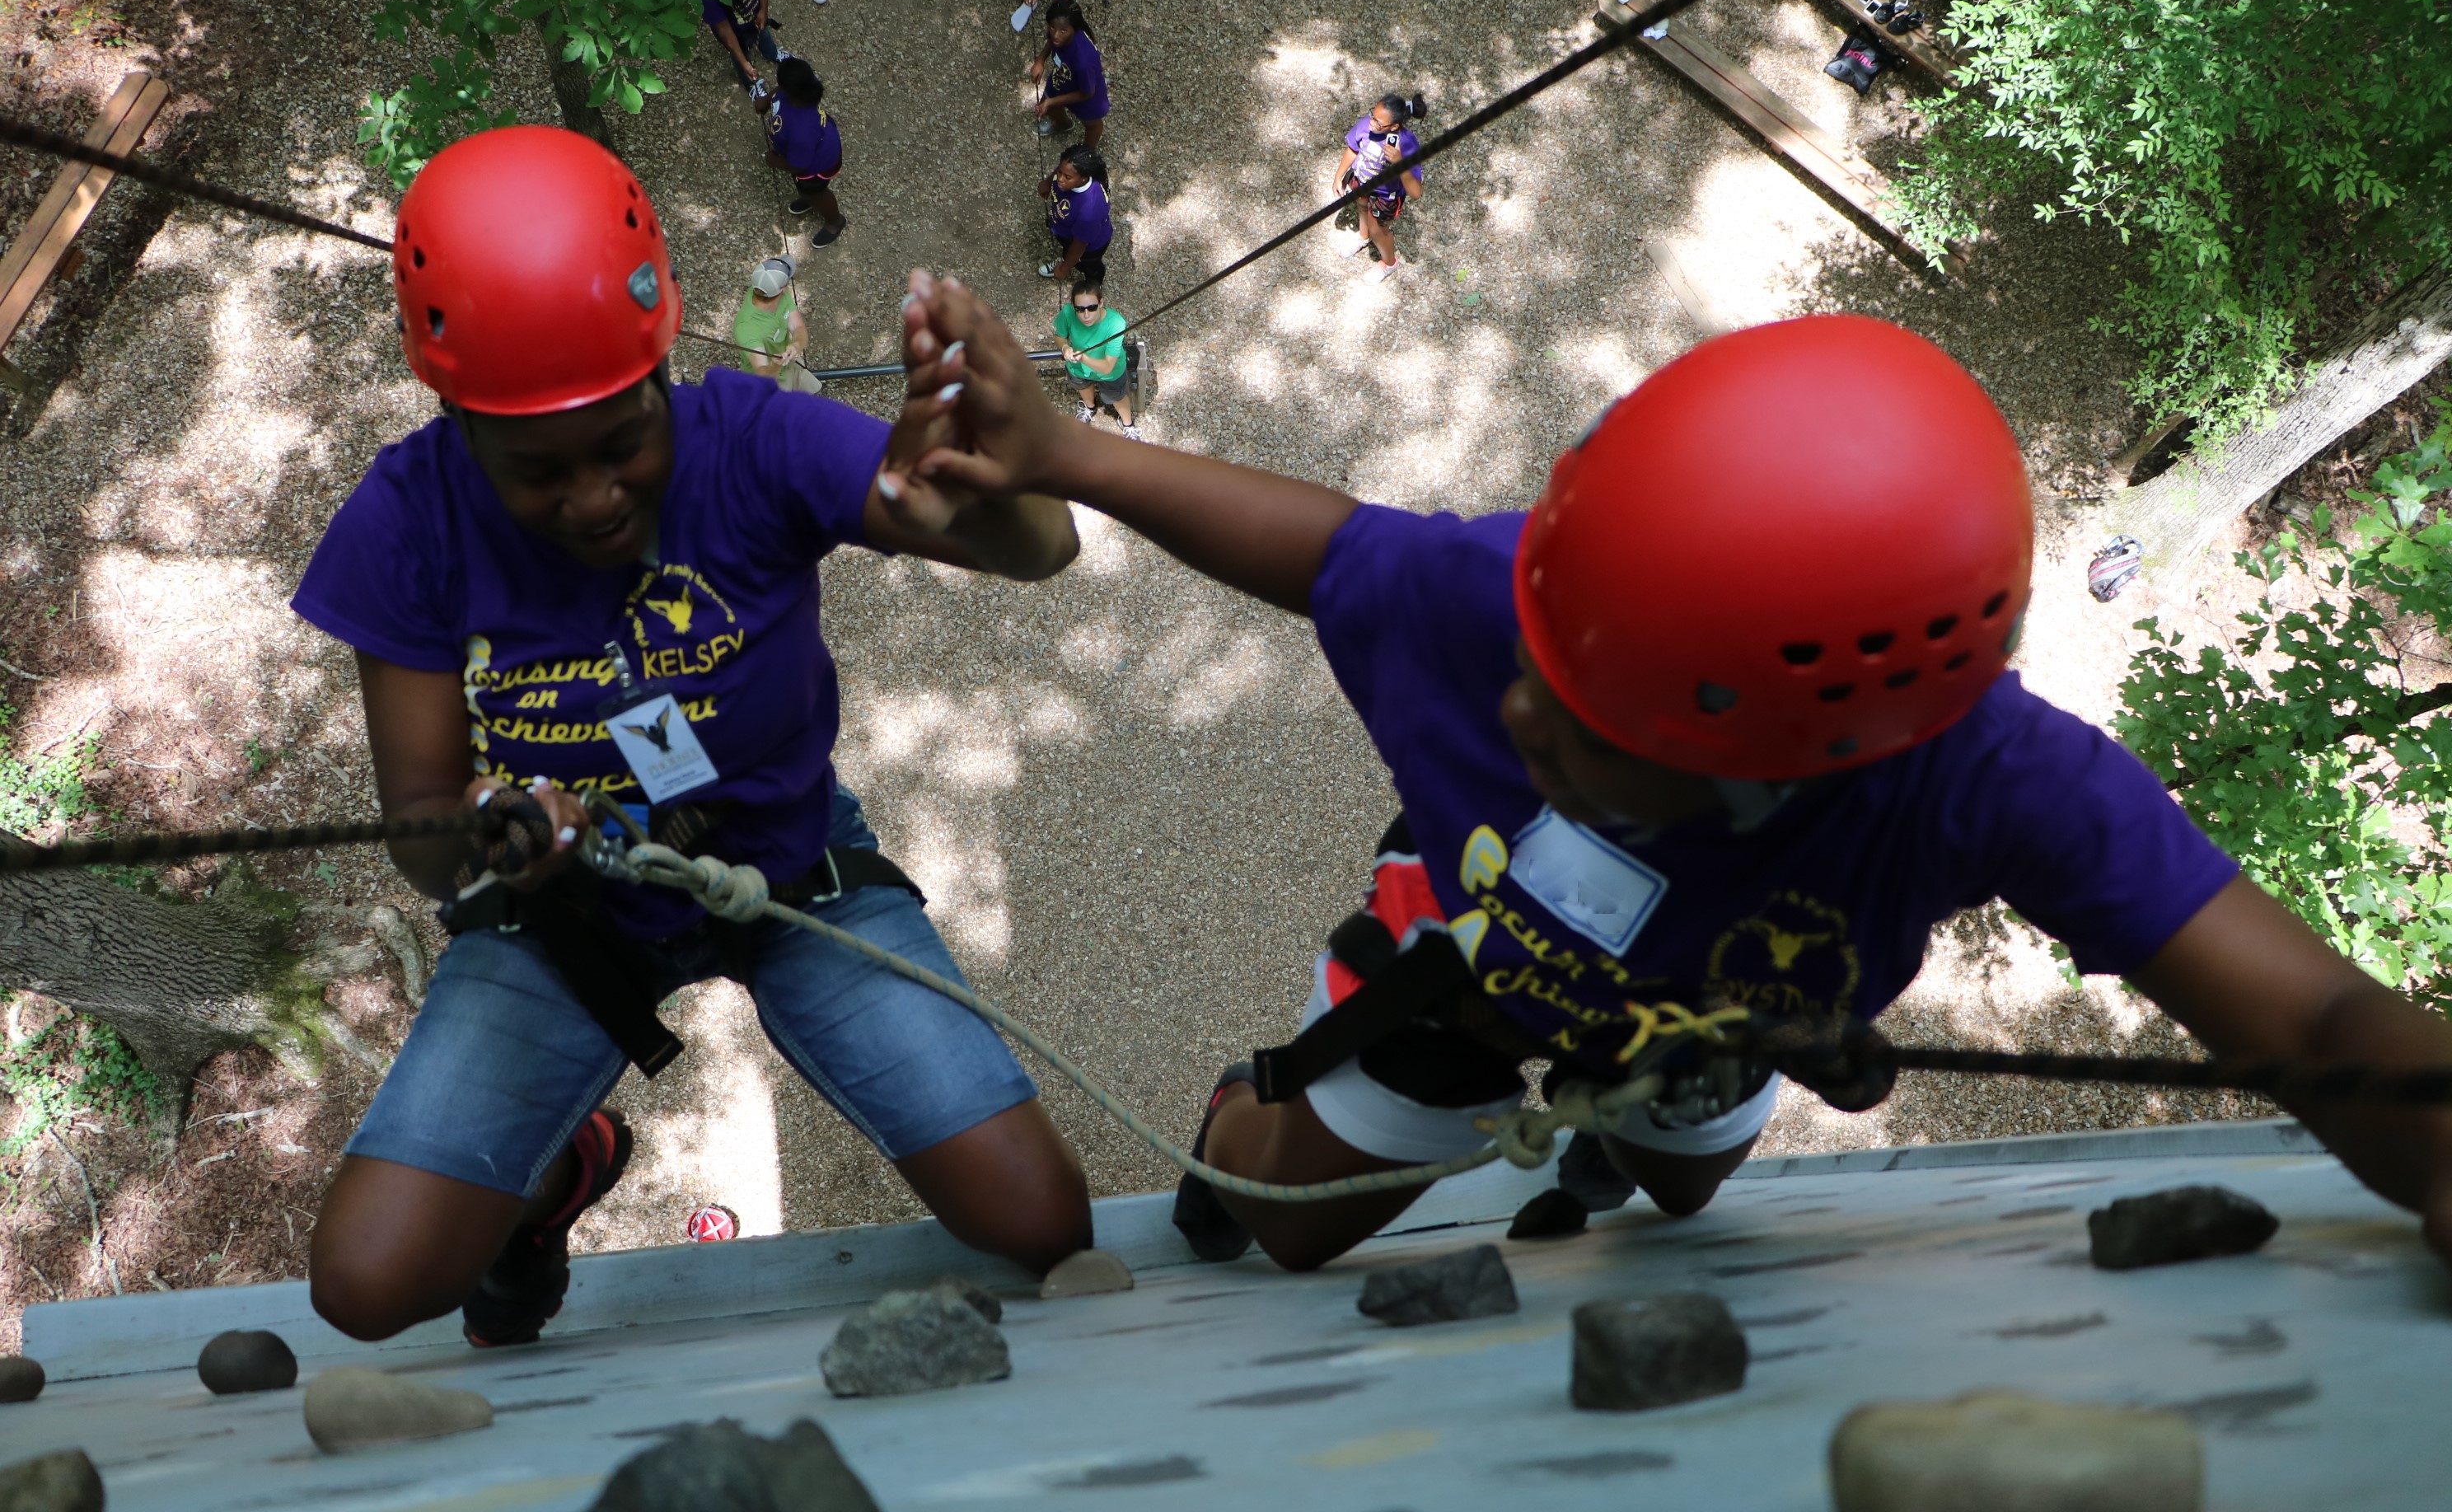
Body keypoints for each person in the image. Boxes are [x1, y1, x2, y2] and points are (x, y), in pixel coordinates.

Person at [873, 282, 2452, 1279]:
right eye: (1538, 660)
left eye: (1589, 720)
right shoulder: (1558, 595)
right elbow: (1340, 547)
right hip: (1494, 961)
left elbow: (2310, 1019)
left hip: (1721, 1025)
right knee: (1276, 1210)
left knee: (1682, 1200)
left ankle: (1618, 1120)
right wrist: (1070, 453)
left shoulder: (1991, 777)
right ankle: (1353, 1010)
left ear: (1793, 758)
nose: (1516, 707)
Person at [292, 129, 1096, 1349]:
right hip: (565, 914)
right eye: (537, 471)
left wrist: (1009, 467)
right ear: (457, 421)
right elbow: (421, 826)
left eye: (623, 443)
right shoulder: (405, 523)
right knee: (367, 1286)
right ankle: (555, 1180)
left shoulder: (753, 445)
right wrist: (495, 833)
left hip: (788, 865)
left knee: (1042, 1219)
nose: (595, 496)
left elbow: (1041, 553)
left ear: (666, 369)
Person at [1331, 93, 1426, 286]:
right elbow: (1353, 148)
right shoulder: (1366, 125)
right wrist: (1339, 175)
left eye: (1378, 122)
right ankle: (1362, 236)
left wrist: (1400, 162)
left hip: (1386, 195)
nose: (1372, 124)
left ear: (1394, 127)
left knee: (1379, 230)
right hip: (1362, 181)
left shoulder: (1407, 143)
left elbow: (1416, 192)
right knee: (1361, 206)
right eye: (1372, 116)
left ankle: (1389, 263)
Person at [763, 58, 845, 246]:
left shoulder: (803, 131)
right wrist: (766, 100)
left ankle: (835, 221)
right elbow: (780, 89)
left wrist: (774, 160)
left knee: (817, 192)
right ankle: (808, 198)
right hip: (810, 150)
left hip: (818, 166)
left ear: (791, 90)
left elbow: (799, 164)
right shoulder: (803, 86)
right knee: (805, 189)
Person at [1054, 277, 1133, 437]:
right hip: (1079, 368)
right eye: (1080, 309)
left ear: (1101, 303)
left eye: (1091, 308)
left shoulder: (1116, 324)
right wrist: (1065, 347)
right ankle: (1090, 408)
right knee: (1083, 386)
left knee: (1117, 397)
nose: (1086, 315)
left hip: (1110, 373)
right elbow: (1059, 335)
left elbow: (1108, 367)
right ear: (1073, 307)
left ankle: (1128, 424)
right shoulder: (1067, 313)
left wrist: (1083, 358)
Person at [732, 255, 818, 393]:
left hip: (790, 364)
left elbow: (798, 328)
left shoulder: (774, 293)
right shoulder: (746, 328)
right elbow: (764, 375)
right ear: (783, 289)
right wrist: (775, 365)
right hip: (771, 385)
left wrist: (796, 345)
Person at [1030, 0, 1108, 146]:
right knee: (1049, 106)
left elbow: (1087, 93)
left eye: (1063, 31)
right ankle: (1062, 124)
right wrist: (1040, 61)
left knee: (1092, 125)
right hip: (1062, 80)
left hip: (1085, 94)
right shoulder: (1058, 36)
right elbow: (1051, 41)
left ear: (1075, 29)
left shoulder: (1084, 60)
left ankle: (1087, 152)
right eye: (1052, 28)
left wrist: (1052, 101)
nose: (1056, 35)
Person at [1037, 143, 1110, 283]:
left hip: (1089, 247)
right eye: (1060, 172)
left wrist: (1063, 269)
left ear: (1084, 178)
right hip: (1067, 231)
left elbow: (1079, 246)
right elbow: (1062, 171)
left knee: (1088, 265)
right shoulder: (1067, 177)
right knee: (1067, 251)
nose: (1060, 179)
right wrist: (1047, 182)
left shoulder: (1089, 211)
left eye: (1067, 177)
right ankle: (1067, 260)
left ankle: (1094, 283)